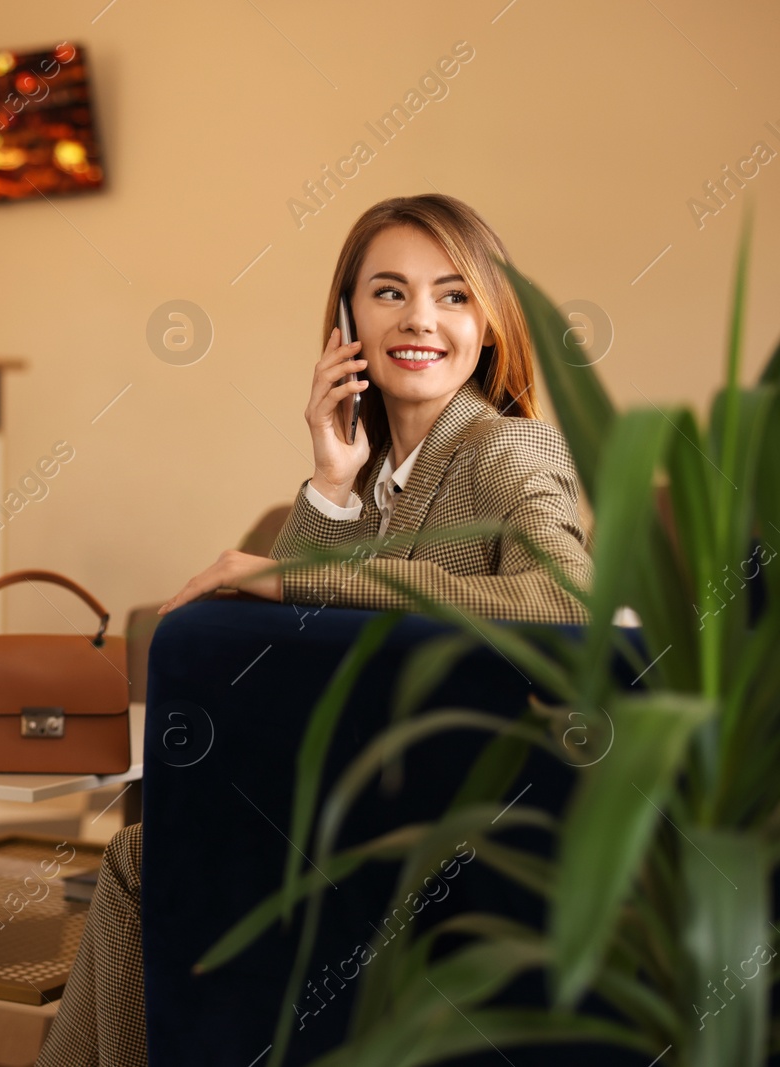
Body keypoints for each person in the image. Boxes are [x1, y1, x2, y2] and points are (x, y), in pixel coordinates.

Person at [34, 194, 593, 1067]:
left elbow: (563, 598)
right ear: (346, 322)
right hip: (362, 803)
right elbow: (267, 665)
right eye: (388, 293)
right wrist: (331, 485)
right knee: (145, 858)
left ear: (489, 323)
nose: (420, 319)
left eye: (453, 295)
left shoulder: (508, 448)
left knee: (148, 866)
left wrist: (290, 571)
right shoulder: (381, 478)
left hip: (453, 838)